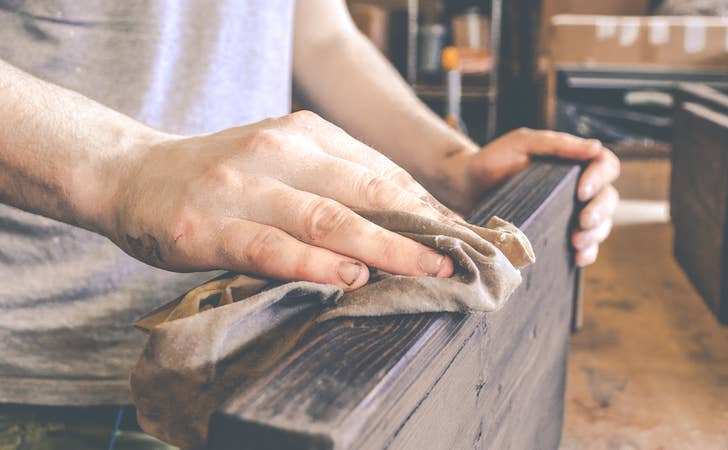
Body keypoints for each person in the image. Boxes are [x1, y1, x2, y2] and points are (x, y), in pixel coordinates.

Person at [0, 1, 619, 448]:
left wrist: (448, 165)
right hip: (39, 372)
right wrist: (125, 170)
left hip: (258, 351)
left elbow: (320, 34)